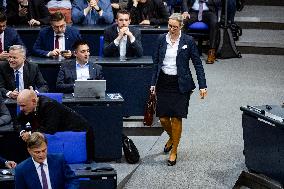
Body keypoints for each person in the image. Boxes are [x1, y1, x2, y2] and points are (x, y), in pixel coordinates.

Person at [150, 13, 207, 166]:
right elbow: (155, 63)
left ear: (181, 26)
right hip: (163, 81)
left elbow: (197, 63)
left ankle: (174, 150)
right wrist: (152, 83)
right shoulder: (161, 39)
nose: (172, 29)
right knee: (162, 118)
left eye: (175, 27)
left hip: (181, 83)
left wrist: (202, 84)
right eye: (170, 26)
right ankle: (171, 137)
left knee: (176, 118)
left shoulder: (188, 41)